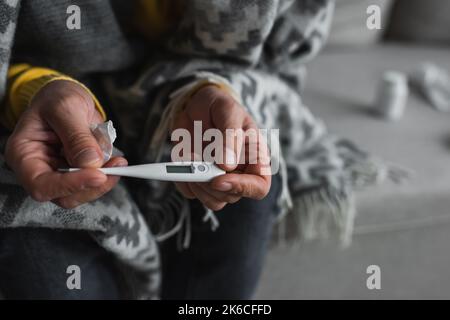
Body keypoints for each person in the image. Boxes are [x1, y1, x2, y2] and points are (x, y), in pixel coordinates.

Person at [0, 0, 343, 299]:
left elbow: (278, 59)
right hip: (35, 124)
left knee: (242, 194)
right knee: (44, 264)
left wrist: (207, 90)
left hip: (202, 107)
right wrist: (33, 89)